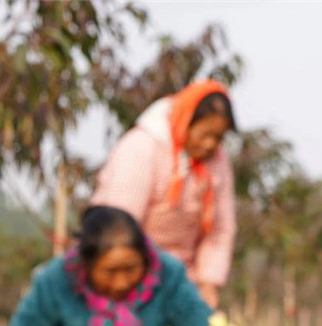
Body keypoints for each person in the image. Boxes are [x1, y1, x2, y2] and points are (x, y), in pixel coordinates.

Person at [6, 206, 221, 326]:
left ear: (145, 259)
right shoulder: (55, 283)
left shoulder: (169, 276)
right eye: (110, 271)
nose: (121, 283)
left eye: (130, 269)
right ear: (86, 265)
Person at [91, 80, 237, 309]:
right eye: (205, 134)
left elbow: (220, 230)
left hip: (183, 280)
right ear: (187, 121)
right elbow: (118, 226)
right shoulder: (142, 148)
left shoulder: (217, 162)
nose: (210, 144)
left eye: (218, 138)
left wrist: (208, 283)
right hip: (129, 276)